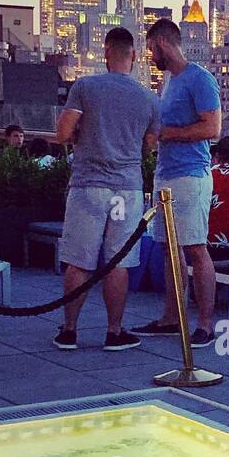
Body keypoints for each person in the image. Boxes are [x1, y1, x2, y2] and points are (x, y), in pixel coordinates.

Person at [51, 26, 160, 351]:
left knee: (79, 260)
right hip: (126, 190)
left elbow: (62, 133)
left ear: (106, 53)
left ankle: (69, 330)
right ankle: (115, 331)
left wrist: (84, 133)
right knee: (118, 262)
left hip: (88, 186)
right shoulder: (149, 98)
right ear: (135, 57)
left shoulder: (85, 86)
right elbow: (150, 145)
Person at [132, 17, 221, 347]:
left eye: (151, 48)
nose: (149, 55)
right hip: (165, 174)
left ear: (164, 44)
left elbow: (212, 128)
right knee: (170, 251)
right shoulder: (167, 81)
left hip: (191, 175)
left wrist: (169, 134)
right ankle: (172, 317)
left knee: (195, 248)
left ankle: (206, 324)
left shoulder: (200, 79)